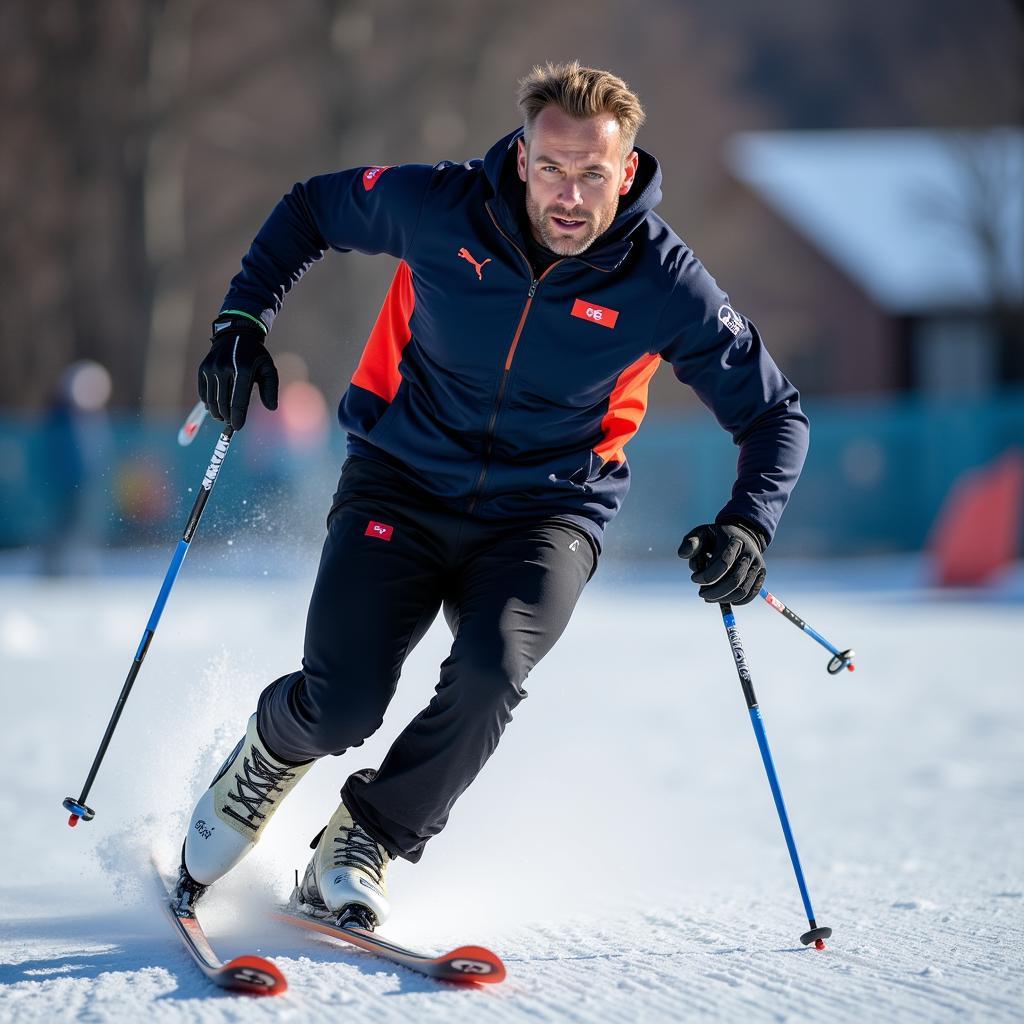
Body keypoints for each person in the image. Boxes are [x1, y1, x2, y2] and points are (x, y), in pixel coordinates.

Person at [178, 62, 809, 929]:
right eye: (552, 166)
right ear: (520, 157)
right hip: (399, 483)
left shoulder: (664, 282)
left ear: (627, 174)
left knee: (489, 674)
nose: (570, 195)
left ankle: (368, 833)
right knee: (344, 701)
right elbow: (311, 209)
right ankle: (265, 760)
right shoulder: (443, 209)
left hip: (546, 513)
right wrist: (242, 321)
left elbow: (774, 413)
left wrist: (749, 524)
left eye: (594, 174)